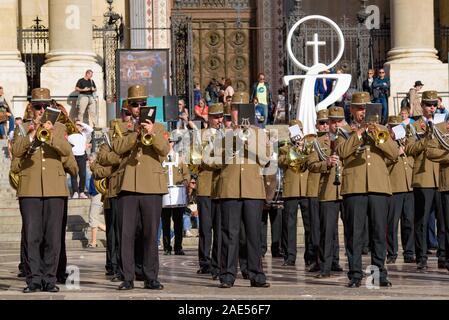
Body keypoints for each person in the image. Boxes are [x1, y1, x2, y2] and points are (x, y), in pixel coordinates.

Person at [12, 88, 74, 293]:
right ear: (32, 107)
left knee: (53, 237)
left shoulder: (59, 127)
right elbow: (17, 152)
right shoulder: (23, 129)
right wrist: (32, 135)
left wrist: (50, 136)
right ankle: (34, 279)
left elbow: (66, 151)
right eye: (37, 106)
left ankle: (50, 279)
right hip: (29, 189)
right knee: (32, 236)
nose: (40, 110)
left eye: (44, 106)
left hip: (55, 189)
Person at [337, 92, 398, 288]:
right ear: (352, 110)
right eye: (359, 108)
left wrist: (377, 134)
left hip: (379, 186)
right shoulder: (344, 131)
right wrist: (360, 133)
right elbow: (342, 152)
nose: (363, 112)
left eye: (366, 108)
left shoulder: (381, 130)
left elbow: (394, 153)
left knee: (379, 233)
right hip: (354, 187)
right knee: (355, 234)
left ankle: (379, 274)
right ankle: (355, 274)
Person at [112, 84, 169, 290]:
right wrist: (135, 133)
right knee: (126, 234)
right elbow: (117, 148)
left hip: (152, 186)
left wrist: (151, 133)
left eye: (142, 104)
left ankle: (151, 276)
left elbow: (164, 151)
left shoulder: (160, 127)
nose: (139, 107)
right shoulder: (121, 127)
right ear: (128, 107)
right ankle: (127, 277)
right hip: (128, 185)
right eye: (135, 104)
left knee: (150, 233)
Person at [217, 105, 271, 288]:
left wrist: (248, 142)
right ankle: (227, 275)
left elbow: (265, 159)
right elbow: (216, 160)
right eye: (234, 111)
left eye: (240, 111)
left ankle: (256, 274)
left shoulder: (260, 134)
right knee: (229, 234)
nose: (237, 115)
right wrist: (233, 140)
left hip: (252, 189)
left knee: (253, 234)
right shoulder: (224, 134)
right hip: (230, 188)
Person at [405, 90, 445, 270]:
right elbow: (410, 148)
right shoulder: (414, 126)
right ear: (422, 106)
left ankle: (443, 255)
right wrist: (427, 138)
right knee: (421, 220)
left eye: (434, 105)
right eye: (428, 105)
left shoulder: (444, 125)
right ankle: (421, 256)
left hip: (442, 177)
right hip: (423, 178)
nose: (431, 108)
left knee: (444, 221)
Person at [308, 106, 346, 278]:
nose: (336, 125)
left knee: (350, 229)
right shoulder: (318, 142)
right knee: (327, 230)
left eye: (339, 121)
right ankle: (325, 265)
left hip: (347, 188)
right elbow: (311, 165)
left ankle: (339, 262)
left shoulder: (349, 138)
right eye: (333, 121)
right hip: (328, 189)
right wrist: (327, 163)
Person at [196, 103, 224, 279]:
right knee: (206, 227)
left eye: (221, 117)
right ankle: (204, 262)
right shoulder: (200, 135)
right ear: (209, 119)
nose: (219, 120)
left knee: (220, 227)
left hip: (221, 186)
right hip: (206, 185)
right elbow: (197, 157)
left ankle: (217, 262)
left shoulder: (228, 135)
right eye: (216, 117)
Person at [279, 120, 310, 267]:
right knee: (289, 225)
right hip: (291, 189)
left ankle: (310, 255)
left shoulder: (309, 146)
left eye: (299, 131)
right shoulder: (285, 148)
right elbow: (281, 162)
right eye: (294, 132)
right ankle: (289, 256)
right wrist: (295, 149)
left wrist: (303, 148)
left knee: (309, 224)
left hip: (306, 189)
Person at [385, 116, 415, 264]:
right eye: (393, 126)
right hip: (394, 187)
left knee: (409, 221)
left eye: (398, 126)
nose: (396, 129)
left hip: (409, 186)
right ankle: (392, 253)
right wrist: (395, 153)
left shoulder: (406, 140)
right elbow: (382, 162)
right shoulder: (385, 143)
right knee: (392, 223)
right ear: (388, 128)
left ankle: (409, 252)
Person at [161, 138, 190, 256]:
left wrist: (185, 182)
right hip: (164, 193)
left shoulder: (180, 158)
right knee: (165, 222)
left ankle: (178, 247)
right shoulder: (159, 158)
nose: (169, 144)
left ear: (173, 143)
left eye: (170, 142)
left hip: (178, 194)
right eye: (167, 141)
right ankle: (167, 247)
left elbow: (187, 174)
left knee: (178, 222)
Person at [68, 120, 93, 199]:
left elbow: (90, 129)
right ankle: (75, 191)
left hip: (82, 156)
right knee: (73, 174)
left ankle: (81, 192)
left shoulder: (84, 134)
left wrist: (81, 123)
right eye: (76, 125)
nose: (78, 127)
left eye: (79, 125)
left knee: (83, 175)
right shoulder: (71, 133)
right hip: (73, 156)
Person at [87, 153, 106, 248]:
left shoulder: (98, 170)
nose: (89, 162)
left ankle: (93, 242)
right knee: (92, 218)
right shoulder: (94, 170)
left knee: (93, 218)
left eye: (90, 160)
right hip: (94, 195)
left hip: (98, 195)